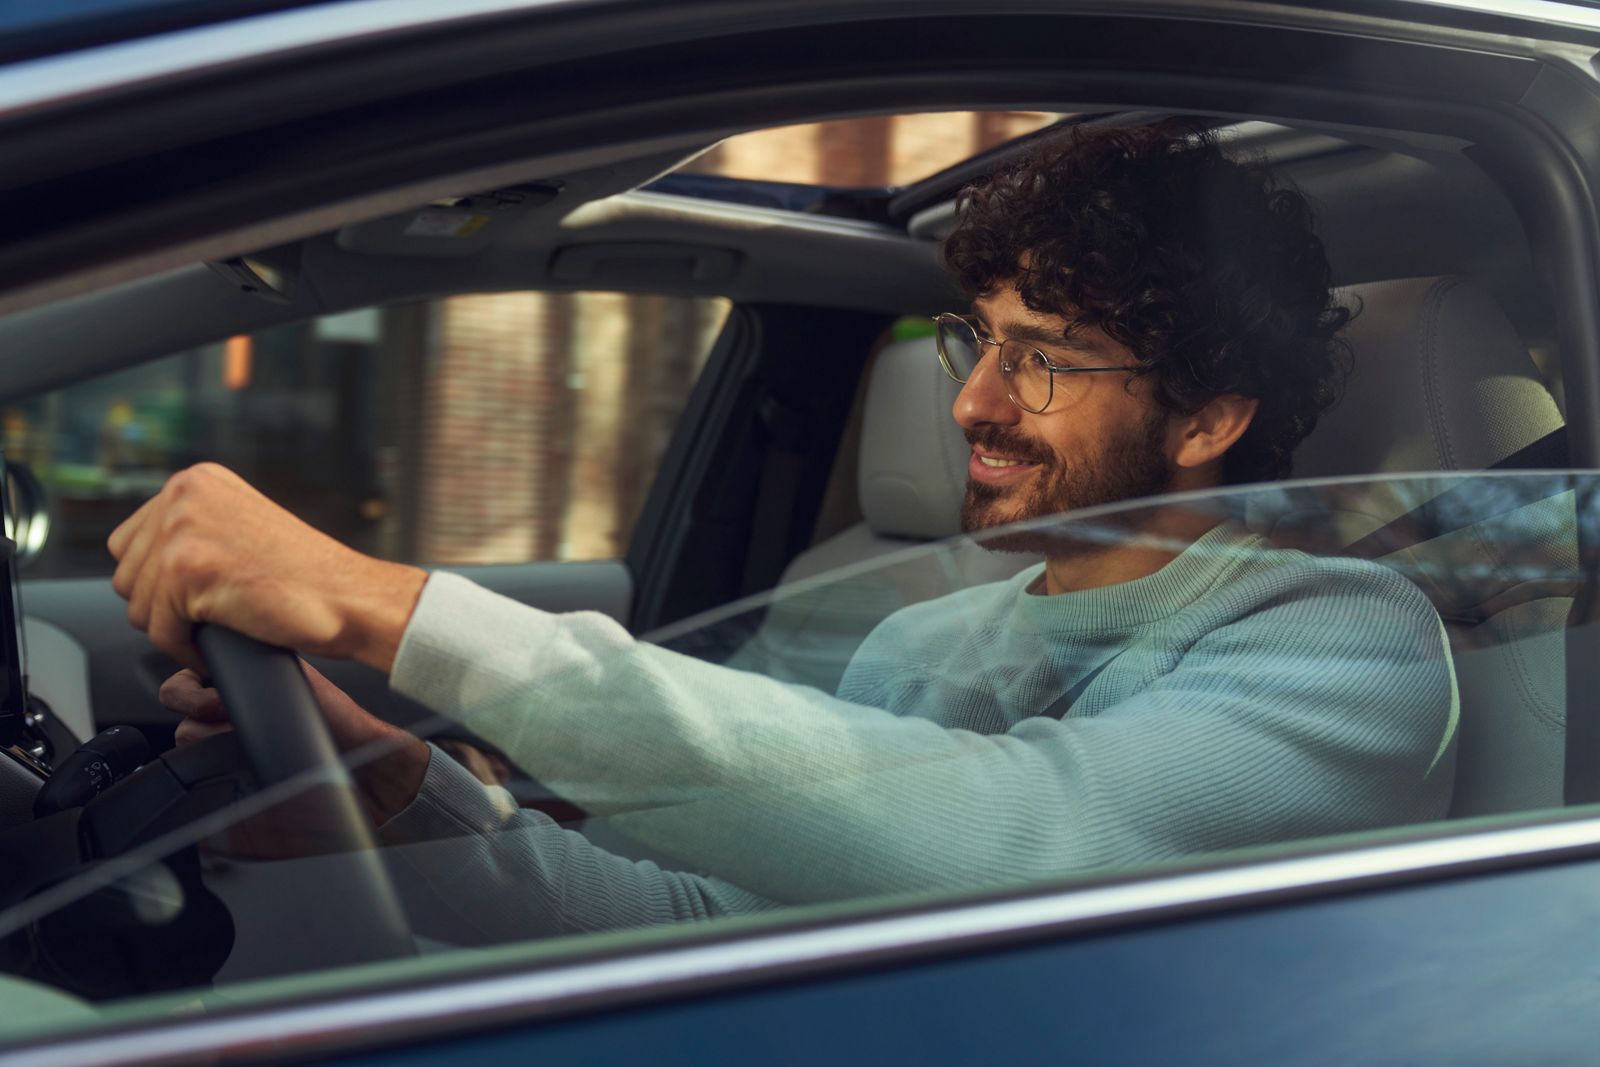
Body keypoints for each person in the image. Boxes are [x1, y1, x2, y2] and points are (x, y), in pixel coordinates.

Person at [111, 123, 1457, 940]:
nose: (973, 403)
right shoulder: (926, 639)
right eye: (981, 341)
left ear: (1208, 418)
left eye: (1045, 358)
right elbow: (701, 927)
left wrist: (387, 607)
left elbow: (1022, 843)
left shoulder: (1345, 645)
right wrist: (407, 792)